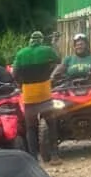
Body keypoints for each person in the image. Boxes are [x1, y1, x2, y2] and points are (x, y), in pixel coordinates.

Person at [12, 30, 61, 160]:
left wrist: (21, 84)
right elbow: (58, 59)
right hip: (44, 93)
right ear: (41, 40)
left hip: (29, 96)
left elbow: (14, 73)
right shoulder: (47, 50)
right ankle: (55, 154)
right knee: (51, 123)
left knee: (31, 128)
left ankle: (33, 158)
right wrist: (54, 45)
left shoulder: (21, 53)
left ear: (30, 40)